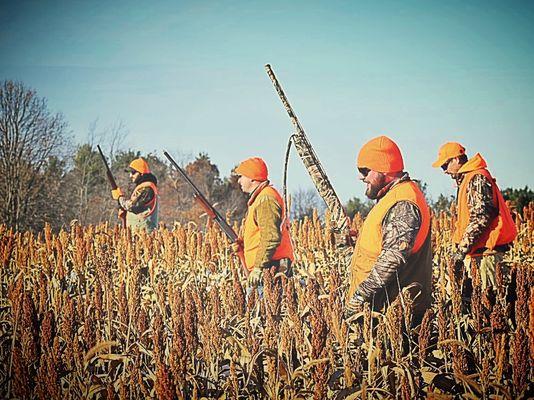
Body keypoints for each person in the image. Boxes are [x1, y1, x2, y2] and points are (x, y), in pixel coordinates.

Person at [345, 136, 432, 321]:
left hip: (393, 314)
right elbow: (388, 246)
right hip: (381, 311)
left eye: (365, 170)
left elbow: (393, 258)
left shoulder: (403, 202)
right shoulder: (393, 198)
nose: (361, 177)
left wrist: (359, 297)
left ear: (383, 169)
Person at [432, 142, 517, 290]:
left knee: (488, 304)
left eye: (445, 165)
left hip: (486, 257)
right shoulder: (468, 179)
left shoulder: (476, 178)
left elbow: (481, 217)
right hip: (479, 256)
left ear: (457, 160)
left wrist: (461, 251)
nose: (444, 171)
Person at [234, 157, 294, 286]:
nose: (239, 181)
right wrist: (243, 246)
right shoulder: (260, 198)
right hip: (267, 267)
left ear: (252, 178)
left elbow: (270, 237)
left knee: (267, 306)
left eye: (241, 176)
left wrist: (258, 268)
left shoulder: (265, 199)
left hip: (270, 269)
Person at [111, 157, 159, 231]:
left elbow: (132, 206)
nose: (130, 175)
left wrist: (120, 198)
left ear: (141, 173)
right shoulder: (142, 187)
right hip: (137, 232)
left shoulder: (147, 187)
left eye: (133, 172)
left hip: (145, 235)